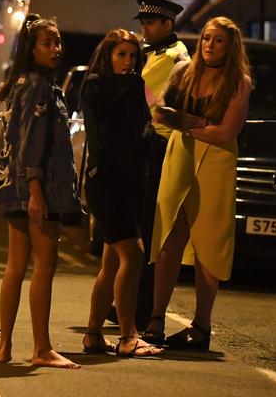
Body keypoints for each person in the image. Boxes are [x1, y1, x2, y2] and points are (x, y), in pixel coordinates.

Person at [142, 17, 252, 350]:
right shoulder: (183, 72)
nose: (209, 45)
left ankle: (201, 325)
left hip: (216, 162)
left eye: (218, 40)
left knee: (209, 242)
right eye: (206, 38)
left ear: (230, 46)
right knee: (170, 235)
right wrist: (196, 123)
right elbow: (160, 112)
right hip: (181, 156)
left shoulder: (238, 82)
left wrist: (185, 122)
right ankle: (156, 318)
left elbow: (225, 132)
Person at [0, 15, 82, 369]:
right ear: (32, 47)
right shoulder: (39, 87)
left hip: (17, 186)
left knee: (16, 265)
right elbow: (32, 141)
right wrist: (35, 188)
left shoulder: (21, 83)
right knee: (45, 264)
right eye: (48, 43)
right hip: (37, 189)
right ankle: (41, 348)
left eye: (58, 42)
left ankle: (5, 345)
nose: (56, 49)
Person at [103, 0, 189, 331]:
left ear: (168, 25)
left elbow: (147, 100)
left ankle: (140, 308)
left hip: (158, 145)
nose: (144, 29)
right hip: (142, 143)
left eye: (149, 23)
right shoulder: (152, 54)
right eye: (142, 23)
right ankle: (128, 302)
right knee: (135, 225)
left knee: (148, 229)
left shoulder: (176, 57)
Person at [77, 29, 162, 358]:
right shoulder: (97, 86)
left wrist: (145, 132)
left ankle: (94, 334)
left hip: (128, 180)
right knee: (134, 253)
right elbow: (112, 136)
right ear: (108, 54)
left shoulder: (132, 85)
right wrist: (144, 133)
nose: (127, 61)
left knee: (112, 262)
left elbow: (143, 128)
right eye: (121, 54)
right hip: (108, 180)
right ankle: (129, 335)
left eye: (132, 55)